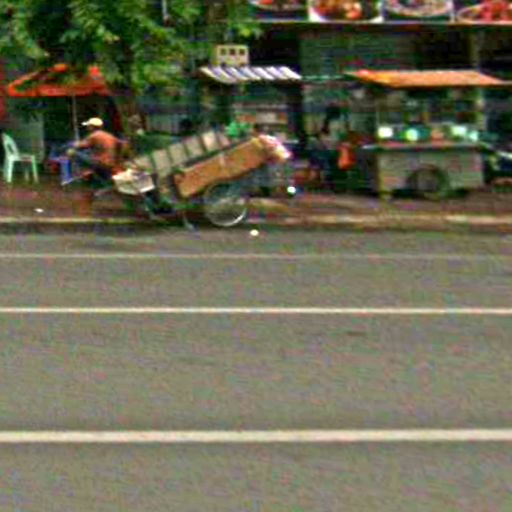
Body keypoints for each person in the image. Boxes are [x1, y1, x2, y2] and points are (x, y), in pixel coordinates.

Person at [68, 117, 127, 182]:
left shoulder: (94, 136)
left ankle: (83, 176)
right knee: (89, 153)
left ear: (92, 127)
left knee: (72, 152)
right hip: (111, 164)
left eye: (88, 126)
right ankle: (100, 176)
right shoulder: (109, 135)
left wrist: (73, 144)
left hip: (100, 163)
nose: (87, 127)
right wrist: (118, 160)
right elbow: (123, 145)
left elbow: (79, 146)